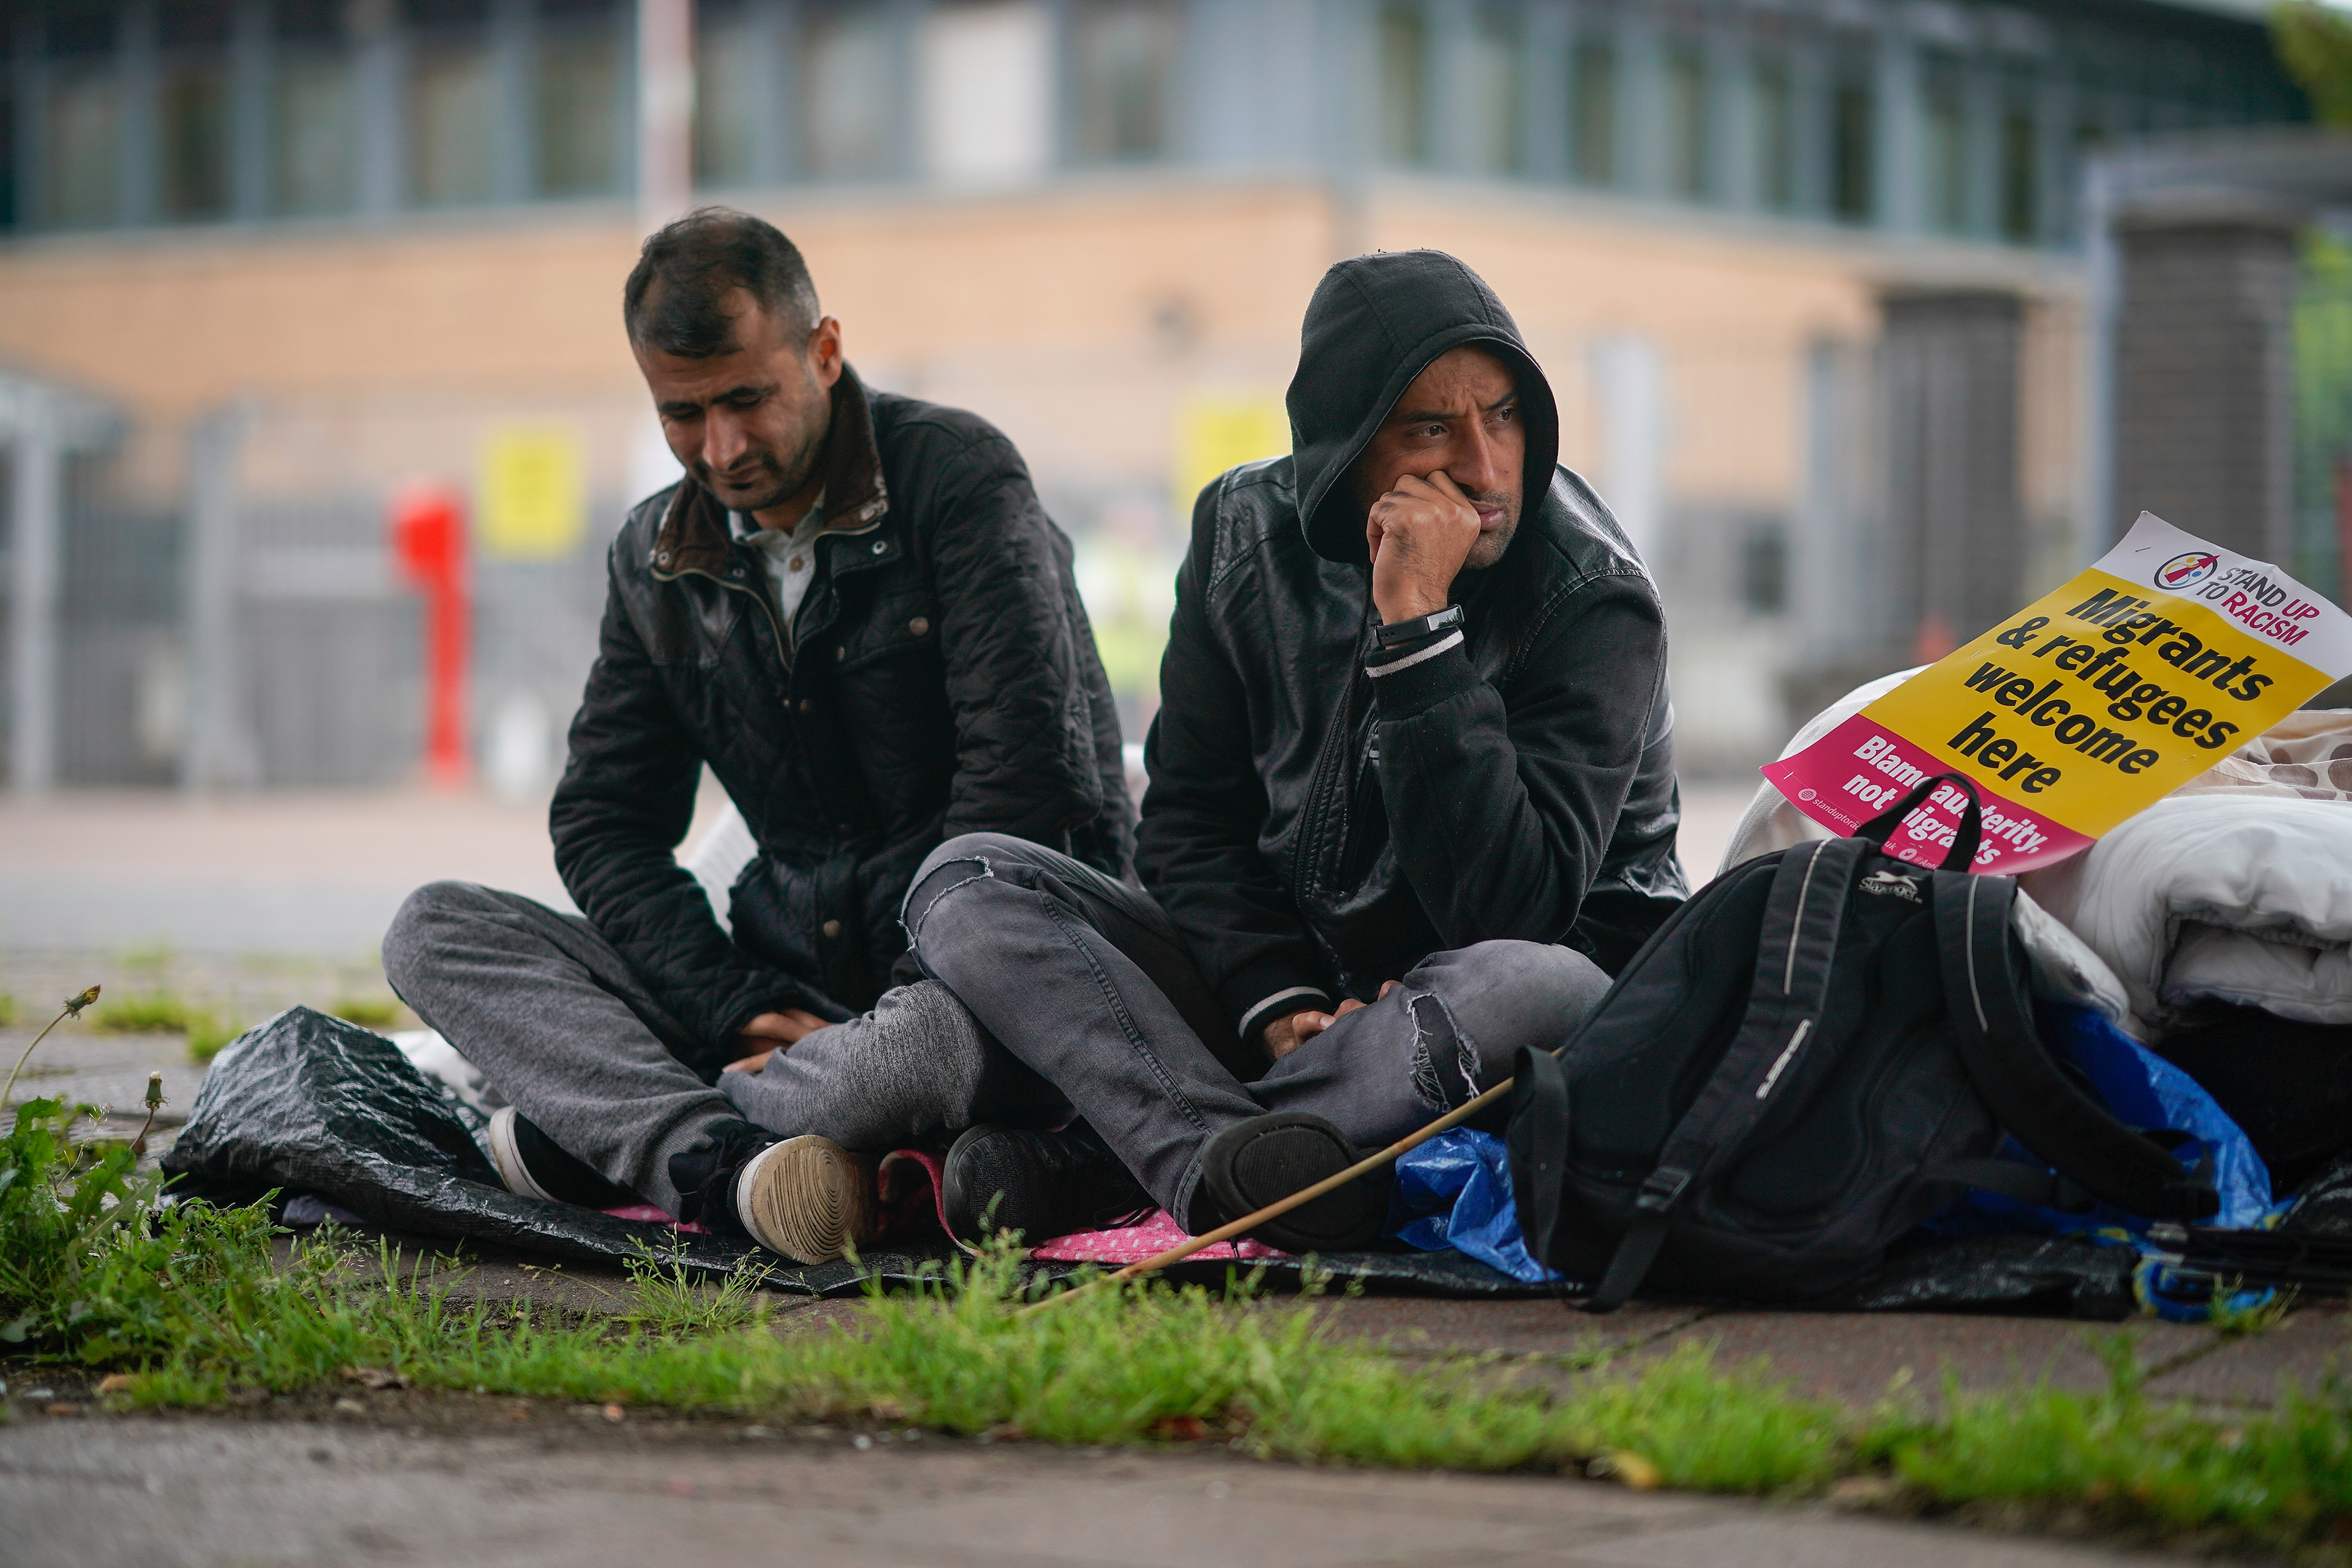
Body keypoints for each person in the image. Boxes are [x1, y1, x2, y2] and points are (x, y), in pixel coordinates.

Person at [888, 249, 1686, 1254]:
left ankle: (1115, 1162)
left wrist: (1418, 636)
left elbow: (1516, 911)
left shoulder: (1592, 600)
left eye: (1506, 416)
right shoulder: (1238, 535)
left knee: (1539, 988)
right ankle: (1232, 1170)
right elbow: (1186, 826)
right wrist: (1277, 999)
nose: (1486, 470)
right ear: (1347, 451)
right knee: (967, 883)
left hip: (1471, 1013)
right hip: (1288, 1002)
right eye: (1432, 428)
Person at [383, 209, 1130, 1263]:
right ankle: (734, 1164)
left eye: (747, 399)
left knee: (901, 1060)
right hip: (775, 992)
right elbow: (604, 824)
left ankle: (631, 1130)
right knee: (433, 930)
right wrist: (737, 1006)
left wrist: (891, 1013)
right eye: (682, 414)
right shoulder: (653, 554)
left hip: (982, 988)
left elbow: (1027, 793)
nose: (721, 449)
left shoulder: (958, 480)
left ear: (824, 351)